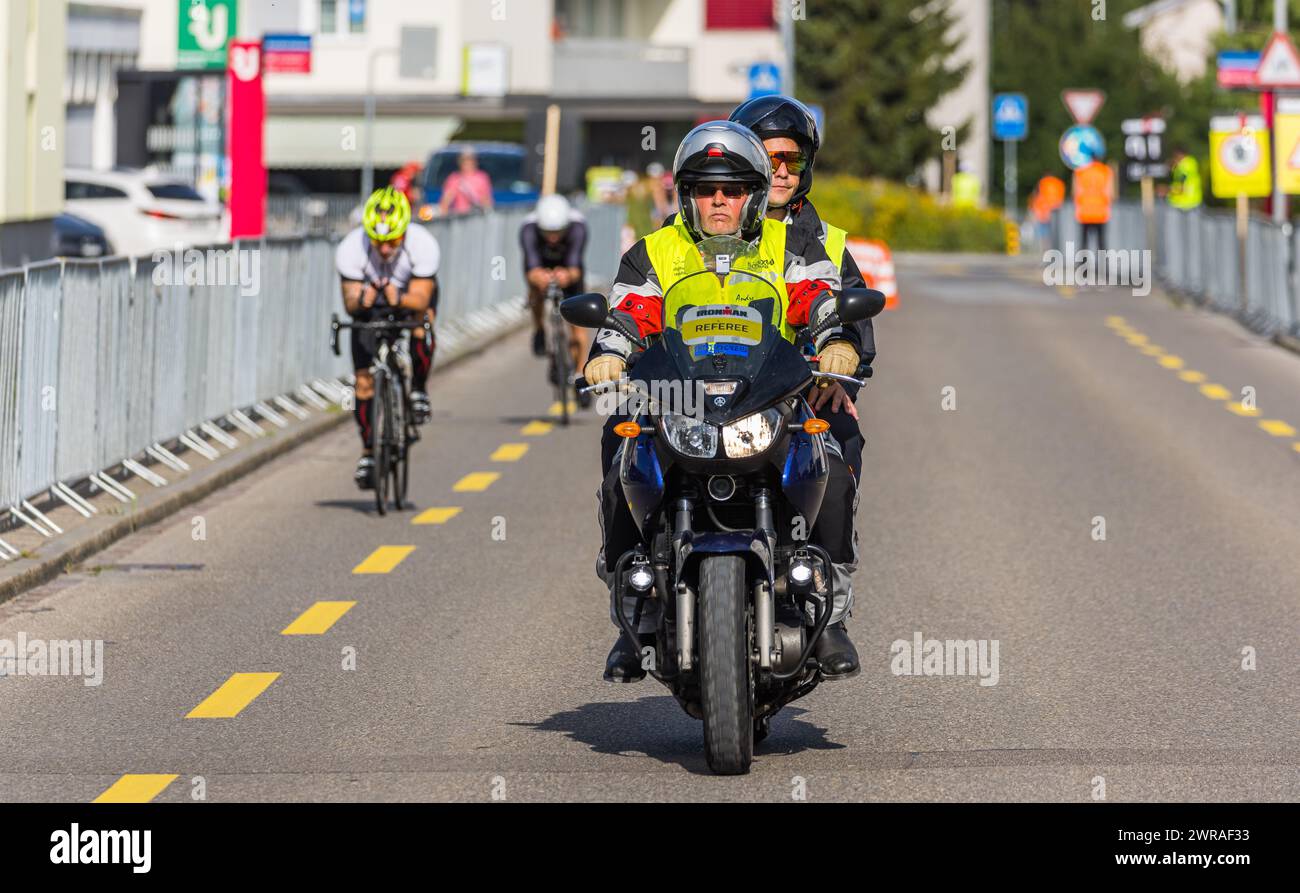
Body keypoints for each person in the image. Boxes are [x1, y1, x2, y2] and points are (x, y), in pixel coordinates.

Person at [585, 120, 858, 683]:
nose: (718, 202)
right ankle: (629, 610)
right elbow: (630, 310)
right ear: (685, 196)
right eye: (705, 190)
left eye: (731, 191)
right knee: (621, 457)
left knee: (829, 458)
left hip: (769, 398)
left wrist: (836, 342)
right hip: (678, 398)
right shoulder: (657, 250)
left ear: (753, 196)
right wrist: (608, 352)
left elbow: (818, 297)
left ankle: (829, 609)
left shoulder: (789, 245)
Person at [335, 187, 441, 490]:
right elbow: (350, 304)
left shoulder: (423, 245)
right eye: (378, 241)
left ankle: (418, 390)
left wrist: (400, 297)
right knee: (364, 381)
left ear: (405, 231)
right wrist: (364, 299)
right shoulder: (350, 248)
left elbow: (421, 300)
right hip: (372, 310)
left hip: (410, 297)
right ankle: (369, 451)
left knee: (423, 324)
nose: (384, 249)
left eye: (392, 241)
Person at [521, 194, 590, 404]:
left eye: (557, 232)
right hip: (541, 263)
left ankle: (581, 375)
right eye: (547, 233)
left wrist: (567, 275)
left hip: (568, 266)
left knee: (578, 326)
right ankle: (539, 329)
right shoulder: (528, 229)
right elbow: (530, 268)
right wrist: (539, 277)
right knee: (534, 291)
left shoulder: (578, 228)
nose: (552, 238)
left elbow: (575, 267)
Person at [1073, 151, 1113, 252]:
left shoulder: (1081, 171)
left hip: (1085, 212)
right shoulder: (1105, 171)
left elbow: (1077, 192)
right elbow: (1109, 192)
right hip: (1100, 212)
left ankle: (1083, 267)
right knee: (1102, 242)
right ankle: (1103, 266)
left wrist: (1077, 209)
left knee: (1083, 242)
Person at [438, 147, 494, 216]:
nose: (467, 162)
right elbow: (445, 202)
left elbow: (487, 202)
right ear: (459, 162)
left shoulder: (482, 178)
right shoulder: (454, 179)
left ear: (475, 161)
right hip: (459, 218)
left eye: (470, 159)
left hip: (477, 217)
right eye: (464, 160)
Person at [1029, 172, 1066, 250]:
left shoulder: (1042, 182)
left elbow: (1036, 195)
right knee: (1052, 232)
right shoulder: (1059, 183)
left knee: (1043, 233)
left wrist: (1033, 209)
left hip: (1043, 211)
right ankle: (1053, 248)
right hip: (1056, 211)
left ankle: (1045, 249)